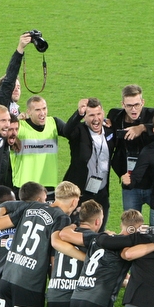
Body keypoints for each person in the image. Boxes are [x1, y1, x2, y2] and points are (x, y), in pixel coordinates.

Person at [108, 84, 154, 216]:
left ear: (143, 102)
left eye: (137, 105)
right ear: (122, 104)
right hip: (130, 183)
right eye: (129, 105)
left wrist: (142, 128)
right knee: (131, 228)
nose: (133, 109)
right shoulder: (115, 116)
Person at [62, 98, 114, 229]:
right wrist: (78, 113)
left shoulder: (109, 130)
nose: (96, 119)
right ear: (85, 118)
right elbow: (67, 131)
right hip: (80, 192)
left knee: (100, 230)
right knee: (77, 230)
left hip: (101, 192)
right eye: (91, 115)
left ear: (103, 113)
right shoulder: (79, 131)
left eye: (98, 114)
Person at [11, 96, 69, 195]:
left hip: (48, 184)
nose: (42, 113)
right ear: (29, 112)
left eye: (44, 108)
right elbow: (2, 132)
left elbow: (71, 132)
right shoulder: (20, 126)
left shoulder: (53, 123)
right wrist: (15, 120)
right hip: (24, 186)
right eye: (37, 110)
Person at [0, 31, 40, 117]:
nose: (17, 90)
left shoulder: (14, 108)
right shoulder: (1, 102)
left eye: (19, 87)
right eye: (13, 87)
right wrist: (20, 48)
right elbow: (10, 77)